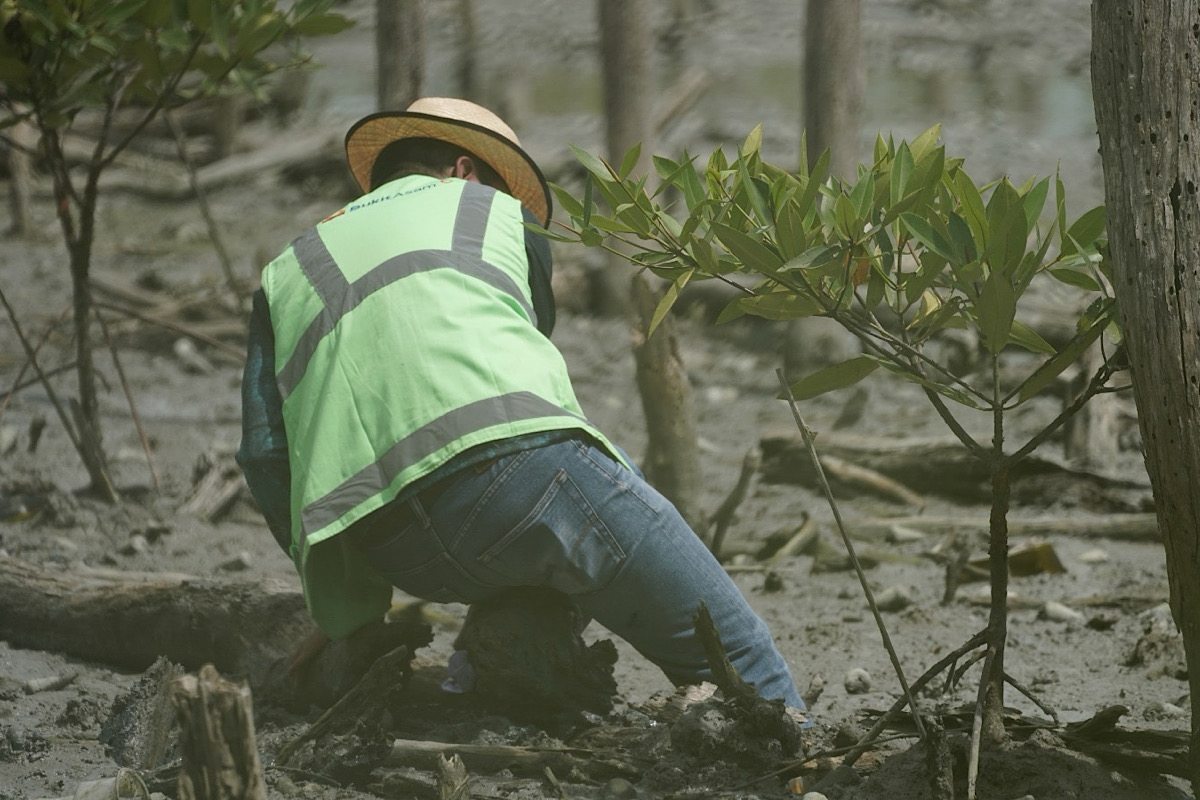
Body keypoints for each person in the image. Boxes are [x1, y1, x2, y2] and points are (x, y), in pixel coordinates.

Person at [237, 96, 807, 712]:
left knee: (549, 545)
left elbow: (266, 454)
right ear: (464, 170)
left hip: (388, 542)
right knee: (739, 656)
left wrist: (343, 606)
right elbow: (519, 374)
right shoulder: (493, 212)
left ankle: (482, 676)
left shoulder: (289, 266)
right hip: (519, 484)